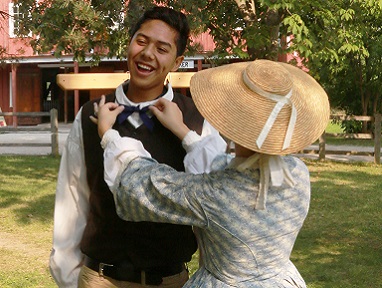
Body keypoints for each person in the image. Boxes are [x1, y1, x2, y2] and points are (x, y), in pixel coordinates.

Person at [94, 59, 330, 287]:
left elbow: (142, 185)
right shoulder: (298, 174)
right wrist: (182, 130)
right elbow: (231, 165)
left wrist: (109, 135)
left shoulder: (216, 194)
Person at [49, 6, 226, 288]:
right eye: (141, 41)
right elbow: (72, 198)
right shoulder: (89, 114)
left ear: (177, 61)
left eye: (162, 48)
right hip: (99, 279)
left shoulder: (196, 120)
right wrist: (69, 275)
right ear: (129, 44)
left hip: (170, 281)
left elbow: (213, 210)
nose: (147, 53)